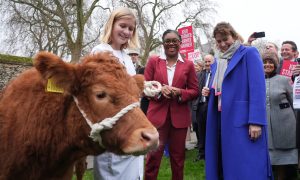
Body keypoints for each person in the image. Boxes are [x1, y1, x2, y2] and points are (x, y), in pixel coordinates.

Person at [202, 22, 272, 179]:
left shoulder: (249, 53)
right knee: (223, 162)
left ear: (233, 36)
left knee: (246, 166)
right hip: (220, 118)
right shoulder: (217, 61)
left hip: (243, 120)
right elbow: (221, 88)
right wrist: (210, 92)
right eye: (218, 41)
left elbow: (258, 89)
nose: (222, 44)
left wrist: (256, 121)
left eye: (225, 39)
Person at [91, 7, 144, 180]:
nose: (127, 32)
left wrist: (144, 87)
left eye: (131, 29)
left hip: (131, 124)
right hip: (113, 125)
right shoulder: (100, 51)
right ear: (111, 24)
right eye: (123, 26)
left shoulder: (127, 57)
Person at [144, 29, 199, 180]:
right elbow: (145, 87)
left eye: (174, 40)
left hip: (179, 119)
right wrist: (160, 90)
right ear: (163, 43)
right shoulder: (153, 61)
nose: (171, 44)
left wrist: (180, 92)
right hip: (157, 118)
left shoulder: (188, 65)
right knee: (152, 159)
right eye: (167, 41)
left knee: (178, 159)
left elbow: (195, 91)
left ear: (180, 43)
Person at [262, 51, 298, 180]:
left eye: (271, 62)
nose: (267, 65)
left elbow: (293, 101)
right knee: (268, 157)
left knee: (283, 159)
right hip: (265, 123)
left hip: (285, 123)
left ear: (276, 64)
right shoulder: (257, 80)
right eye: (265, 62)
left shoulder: (284, 80)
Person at [192, 54, 214, 162]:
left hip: (211, 107)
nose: (207, 64)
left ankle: (212, 154)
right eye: (205, 62)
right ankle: (202, 153)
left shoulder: (216, 74)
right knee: (200, 130)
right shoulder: (200, 75)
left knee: (211, 131)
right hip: (200, 106)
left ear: (214, 62)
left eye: (209, 61)